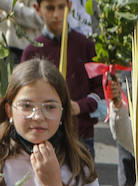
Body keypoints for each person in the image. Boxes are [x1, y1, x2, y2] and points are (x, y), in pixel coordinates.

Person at [21, 0, 102, 158]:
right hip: (44, 140)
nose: (57, 15)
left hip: (81, 136)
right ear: (37, 9)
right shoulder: (32, 51)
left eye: (61, 7)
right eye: (50, 8)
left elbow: (100, 90)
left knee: (83, 182)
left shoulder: (85, 45)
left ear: (70, 6)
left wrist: (80, 106)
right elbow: (24, 98)